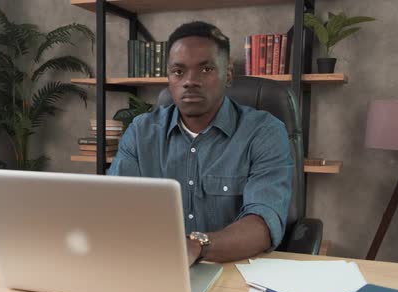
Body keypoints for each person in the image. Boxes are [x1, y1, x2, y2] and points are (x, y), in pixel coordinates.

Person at [107, 21, 294, 265]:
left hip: (236, 271)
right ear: (169, 78)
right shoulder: (141, 132)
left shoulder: (264, 132)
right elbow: (116, 208)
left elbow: (263, 223)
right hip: (157, 266)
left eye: (205, 69)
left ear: (227, 75)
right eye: (178, 71)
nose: (189, 81)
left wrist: (196, 246)